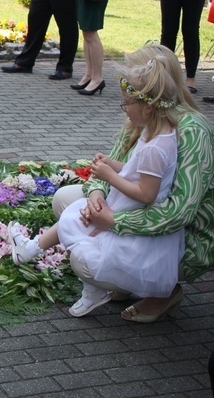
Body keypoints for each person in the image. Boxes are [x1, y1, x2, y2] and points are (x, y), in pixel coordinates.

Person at [52, 44, 214, 323]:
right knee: (65, 198)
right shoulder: (144, 116)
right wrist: (97, 196)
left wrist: (113, 220)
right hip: (133, 206)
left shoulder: (191, 129)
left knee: (83, 261)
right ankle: (127, 281)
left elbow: (180, 212)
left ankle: (162, 291)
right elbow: (108, 167)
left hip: (181, 237)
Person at [10, 57, 183, 317]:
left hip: (134, 213)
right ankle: (33, 251)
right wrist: (113, 164)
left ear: (148, 108)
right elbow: (139, 172)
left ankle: (53, 264)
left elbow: (147, 194)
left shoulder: (158, 146)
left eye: (127, 102)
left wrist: (110, 177)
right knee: (80, 222)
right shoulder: (155, 133)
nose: (124, 108)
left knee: (82, 229)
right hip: (126, 204)